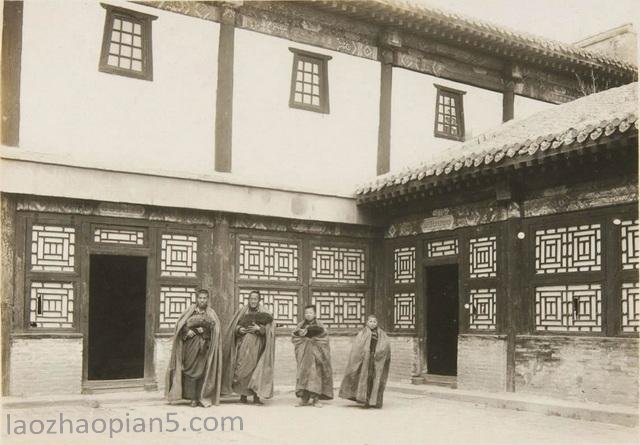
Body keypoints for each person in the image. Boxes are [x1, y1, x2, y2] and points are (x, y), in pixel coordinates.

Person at [165, 289, 223, 407]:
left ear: (208, 299)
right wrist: (188, 331)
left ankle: (200, 397)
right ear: (197, 299)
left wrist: (205, 331)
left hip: (203, 347)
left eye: (205, 298)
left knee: (201, 372)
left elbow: (215, 331)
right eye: (200, 298)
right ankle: (191, 398)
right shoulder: (190, 312)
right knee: (189, 370)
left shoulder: (211, 313)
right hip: (189, 346)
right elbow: (181, 326)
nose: (202, 300)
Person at [221, 290, 275, 405]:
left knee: (256, 370)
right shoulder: (242, 312)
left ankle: (256, 397)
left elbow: (270, 330)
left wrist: (259, 329)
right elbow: (234, 327)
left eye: (255, 299)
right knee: (242, 369)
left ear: (259, 300)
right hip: (243, 344)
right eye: (251, 299)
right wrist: (239, 329)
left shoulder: (265, 312)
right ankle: (243, 396)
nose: (253, 301)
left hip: (258, 345)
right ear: (248, 300)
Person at [339, 315, 391, 409]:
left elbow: (386, 346)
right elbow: (357, 347)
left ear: (377, 323)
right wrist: (364, 354)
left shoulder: (382, 334)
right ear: (367, 322)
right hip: (365, 360)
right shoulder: (362, 333)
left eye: (374, 322)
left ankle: (375, 401)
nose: (372, 323)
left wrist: (379, 352)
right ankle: (366, 401)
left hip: (376, 360)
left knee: (375, 379)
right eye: (370, 321)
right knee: (366, 380)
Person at [291, 305, 334, 407]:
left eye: (310, 313)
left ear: (315, 314)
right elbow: (294, 337)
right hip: (305, 354)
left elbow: (324, 339)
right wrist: (302, 336)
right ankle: (304, 399)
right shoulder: (301, 324)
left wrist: (314, 340)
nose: (308, 315)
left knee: (315, 375)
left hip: (316, 355)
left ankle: (316, 399)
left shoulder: (320, 325)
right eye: (306, 313)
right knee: (303, 374)